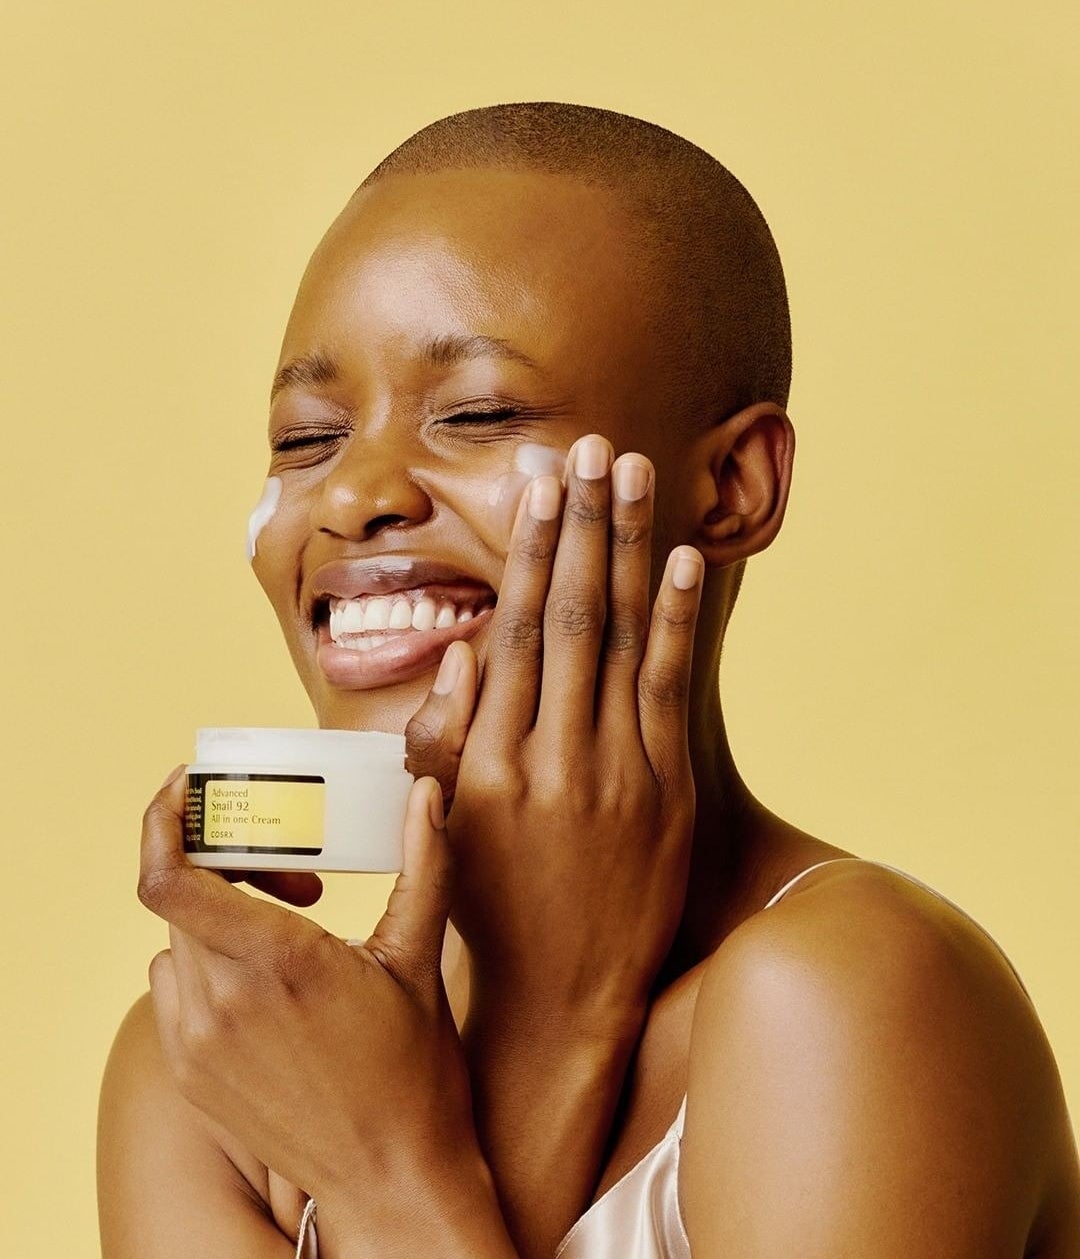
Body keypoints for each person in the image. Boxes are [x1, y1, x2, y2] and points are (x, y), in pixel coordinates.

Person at [97, 102, 1080, 1259]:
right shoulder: (221, 1064)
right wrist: (550, 1024)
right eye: (307, 438)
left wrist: (384, 1170)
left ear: (732, 486)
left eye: (477, 414)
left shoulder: (847, 993)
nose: (353, 494)